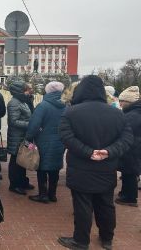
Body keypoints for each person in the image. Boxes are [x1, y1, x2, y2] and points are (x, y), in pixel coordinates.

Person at [58, 75, 133, 250]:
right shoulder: (117, 113)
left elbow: (66, 136)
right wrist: (109, 152)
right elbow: (127, 138)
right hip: (107, 167)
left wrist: (88, 152)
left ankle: (81, 241)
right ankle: (107, 239)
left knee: (82, 206)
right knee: (106, 204)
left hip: (80, 167)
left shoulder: (71, 112)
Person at [26, 81, 66, 203]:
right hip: (60, 141)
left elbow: (34, 125)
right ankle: (52, 194)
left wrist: (28, 138)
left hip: (44, 140)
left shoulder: (43, 106)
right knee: (55, 168)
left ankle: (43, 195)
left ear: (47, 91)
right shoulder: (66, 106)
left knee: (42, 167)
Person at [116, 86, 141, 207]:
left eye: (122, 101)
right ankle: (125, 193)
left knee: (130, 172)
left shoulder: (132, 115)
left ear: (128, 102)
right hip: (133, 148)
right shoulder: (134, 112)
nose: (120, 104)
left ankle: (130, 198)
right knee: (128, 172)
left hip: (132, 148)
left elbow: (125, 131)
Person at [7, 81, 33, 195]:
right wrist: (30, 124)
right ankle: (14, 184)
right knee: (15, 161)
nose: (28, 91)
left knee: (22, 159)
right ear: (19, 91)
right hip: (16, 137)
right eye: (25, 90)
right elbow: (13, 121)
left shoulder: (23, 101)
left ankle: (23, 182)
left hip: (23, 136)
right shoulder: (14, 103)